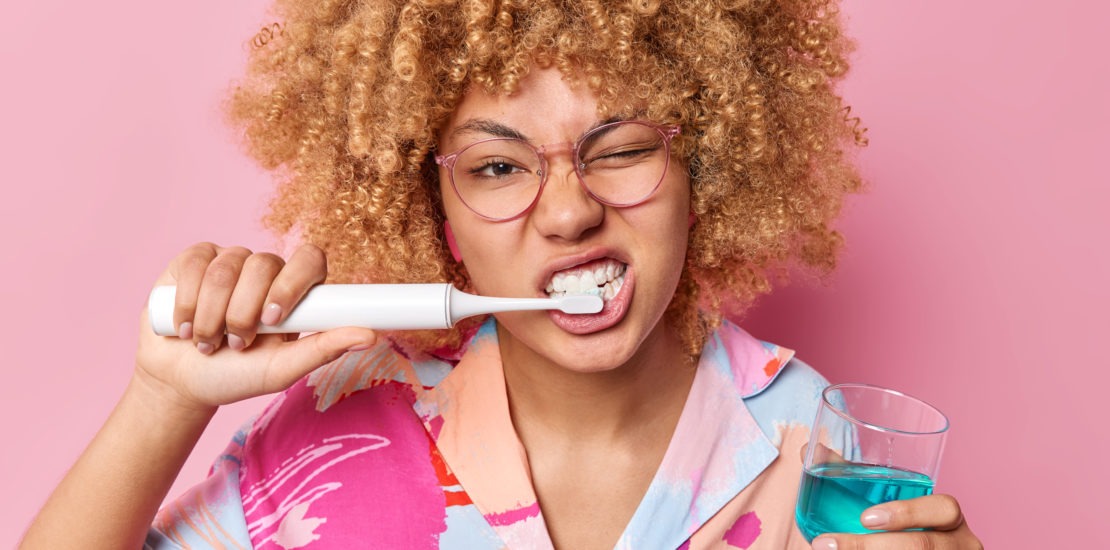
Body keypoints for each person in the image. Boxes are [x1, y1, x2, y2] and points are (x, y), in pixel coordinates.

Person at [23, 0, 983, 548]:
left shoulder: (814, 445)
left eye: (621, 148)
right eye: (496, 166)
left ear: (708, 170)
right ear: (436, 214)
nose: (567, 212)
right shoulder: (342, 422)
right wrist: (162, 398)